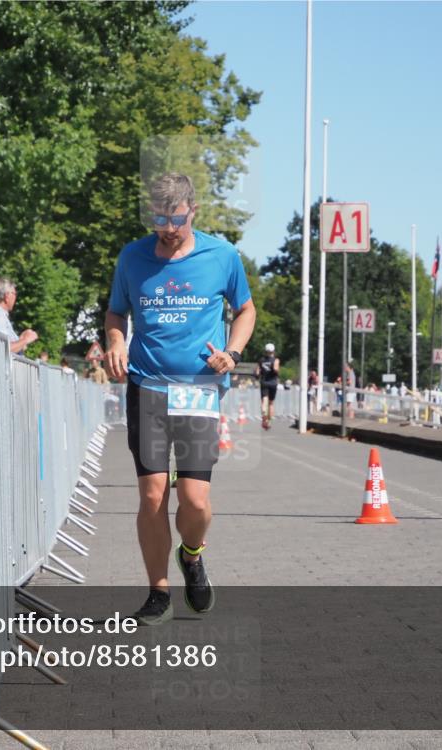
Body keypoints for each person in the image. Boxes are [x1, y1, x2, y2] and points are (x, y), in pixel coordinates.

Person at [105, 173, 255, 626]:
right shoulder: (132, 257)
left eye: (175, 218)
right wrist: (116, 340)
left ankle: (191, 555)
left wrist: (232, 352)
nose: (167, 228)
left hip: (198, 389)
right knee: (152, 496)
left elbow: (245, 309)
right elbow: (116, 310)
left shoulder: (222, 255)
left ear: (193, 211)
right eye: (158, 218)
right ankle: (157, 593)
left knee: (193, 501)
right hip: (147, 386)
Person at [0, 276, 38, 354]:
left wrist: (20, 341)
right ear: (7, 296)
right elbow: (4, 349)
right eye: (14, 294)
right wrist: (26, 340)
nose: (15, 297)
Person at [256, 343, 280, 429]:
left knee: (264, 400)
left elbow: (257, 372)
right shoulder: (275, 360)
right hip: (273, 382)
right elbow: (276, 369)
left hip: (264, 382)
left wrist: (258, 376)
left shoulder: (261, 360)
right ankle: (269, 421)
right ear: (273, 351)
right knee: (271, 403)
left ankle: (264, 415)